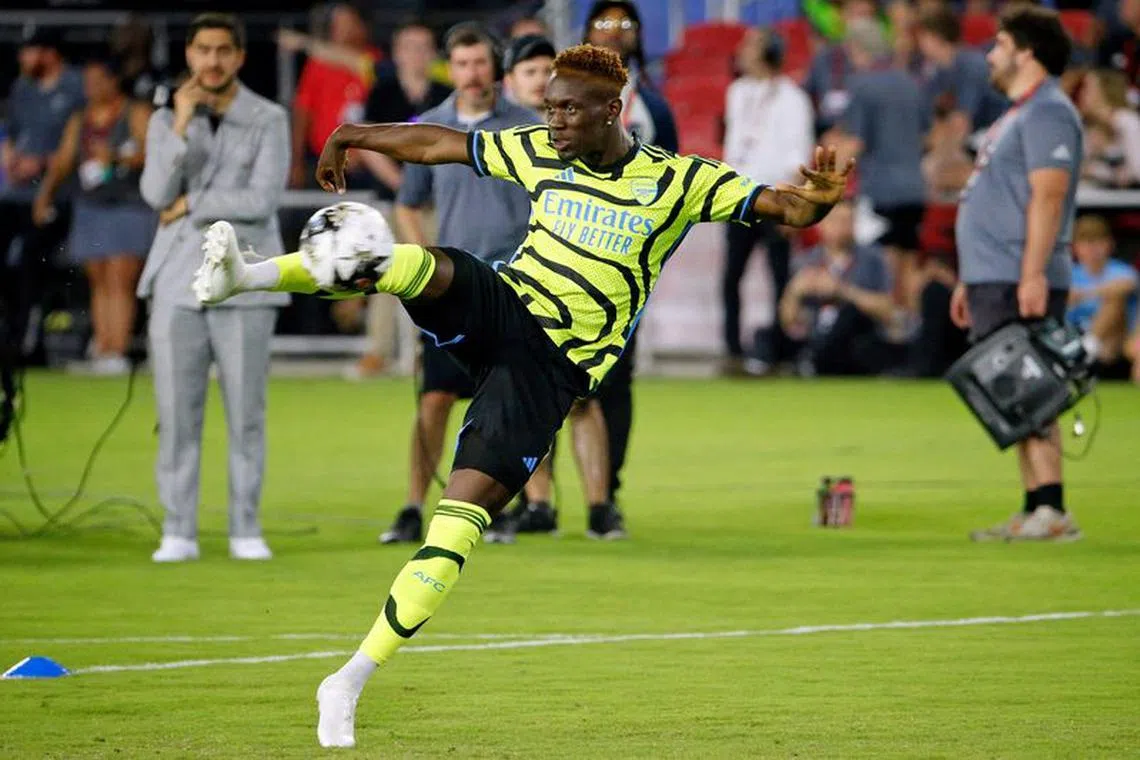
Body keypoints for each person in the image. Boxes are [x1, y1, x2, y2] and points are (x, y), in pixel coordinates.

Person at [192, 44, 851, 749]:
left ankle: (349, 678)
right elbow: (440, 143)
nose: (554, 121)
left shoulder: (678, 181)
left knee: (458, 523)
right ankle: (248, 278)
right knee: (427, 264)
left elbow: (783, 205)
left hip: (550, 371)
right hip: (507, 306)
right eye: (550, 108)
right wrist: (355, 133)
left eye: (569, 109)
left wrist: (815, 201)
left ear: (612, 110)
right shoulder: (538, 150)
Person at [376, 23, 538, 547]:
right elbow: (407, 203)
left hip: (516, 286)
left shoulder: (527, 126)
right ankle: (412, 506)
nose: (472, 74)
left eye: (480, 63)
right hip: (454, 288)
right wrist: (424, 262)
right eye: (463, 64)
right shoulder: (432, 125)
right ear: (451, 67)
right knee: (435, 399)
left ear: (496, 67)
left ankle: (502, 509)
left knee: (510, 405)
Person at [138, 13, 290, 562]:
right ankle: (178, 528)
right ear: (189, 55)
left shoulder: (269, 117)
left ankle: (245, 527)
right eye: (203, 50)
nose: (213, 60)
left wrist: (191, 204)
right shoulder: (166, 118)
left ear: (240, 56)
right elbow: (155, 193)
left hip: (245, 278)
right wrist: (180, 124)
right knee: (176, 414)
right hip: (175, 279)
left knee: (246, 412)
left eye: (223, 50)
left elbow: (262, 200)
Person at [950, 6, 1084, 542]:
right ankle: (1035, 507)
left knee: (1031, 387)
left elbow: (1048, 196)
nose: (990, 55)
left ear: (1027, 52)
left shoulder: (1049, 111)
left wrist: (1032, 275)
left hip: (1016, 272)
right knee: (1011, 392)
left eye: (1000, 44)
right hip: (994, 272)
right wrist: (968, 277)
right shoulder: (1018, 113)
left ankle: (1053, 510)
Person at [500, 33, 618, 538]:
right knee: (526, 394)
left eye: (546, 72)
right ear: (511, 81)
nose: (540, 82)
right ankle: (538, 504)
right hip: (515, 279)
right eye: (529, 72)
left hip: (582, 283)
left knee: (583, 397)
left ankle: (600, 506)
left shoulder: (586, 131)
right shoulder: (505, 133)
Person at [581, 0, 679, 509]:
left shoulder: (654, 108)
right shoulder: (562, 102)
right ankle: (534, 503)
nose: (615, 32)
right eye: (605, 22)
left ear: (638, 35)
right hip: (562, 254)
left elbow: (680, 187)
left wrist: (652, 252)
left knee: (614, 379)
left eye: (625, 24)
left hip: (624, 264)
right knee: (541, 376)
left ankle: (607, 494)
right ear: (587, 32)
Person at [32, 54, 155, 375]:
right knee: (99, 279)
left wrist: (116, 157)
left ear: (114, 81)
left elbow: (154, 153)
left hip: (129, 205)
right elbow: (63, 161)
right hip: (91, 206)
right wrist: (44, 196)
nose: (91, 87)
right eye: (87, 82)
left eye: (97, 81)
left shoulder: (134, 112)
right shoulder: (80, 118)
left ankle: (118, 349)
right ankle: (103, 347)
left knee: (121, 278)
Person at [721, 27, 814, 376]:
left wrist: (792, 204)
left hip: (776, 198)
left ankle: (777, 350)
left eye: (751, 46)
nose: (741, 51)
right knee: (731, 276)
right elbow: (733, 145)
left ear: (768, 53)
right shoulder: (736, 92)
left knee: (779, 276)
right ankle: (732, 350)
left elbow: (798, 156)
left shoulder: (793, 99)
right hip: (740, 197)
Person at [778, 199, 896, 376]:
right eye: (836, 220)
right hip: (815, 336)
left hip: (856, 341)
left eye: (848, 220)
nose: (842, 227)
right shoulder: (806, 260)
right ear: (820, 224)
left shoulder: (872, 259)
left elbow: (888, 310)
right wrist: (795, 291)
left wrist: (842, 291)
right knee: (766, 335)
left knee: (851, 315)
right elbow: (787, 321)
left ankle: (813, 361)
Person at [1067, 215, 1139, 376]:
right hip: (1076, 334)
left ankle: (1088, 347)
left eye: (1098, 242)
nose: (1093, 249)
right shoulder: (1069, 273)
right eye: (1086, 242)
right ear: (1075, 247)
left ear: (1110, 244)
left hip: (1116, 341)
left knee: (1114, 300)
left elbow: (1127, 285)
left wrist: (1083, 294)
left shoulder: (1120, 270)